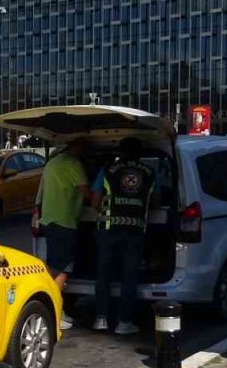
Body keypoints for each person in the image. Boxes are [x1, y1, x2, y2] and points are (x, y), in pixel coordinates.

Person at [89, 138, 154, 336]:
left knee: (104, 274)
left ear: (121, 152)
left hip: (109, 229)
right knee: (129, 276)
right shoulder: (149, 172)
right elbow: (157, 200)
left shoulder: (109, 170)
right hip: (135, 230)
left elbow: (94, 201)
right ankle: (124, 322)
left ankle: (100, 318)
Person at [38, 137, 91, 329]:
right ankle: (55, 313)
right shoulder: (73, 164)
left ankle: (52, 310)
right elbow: (88, 193)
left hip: (50, 220)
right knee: (60, 271)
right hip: (64, 222)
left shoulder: (53, 162)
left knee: (54, 267)